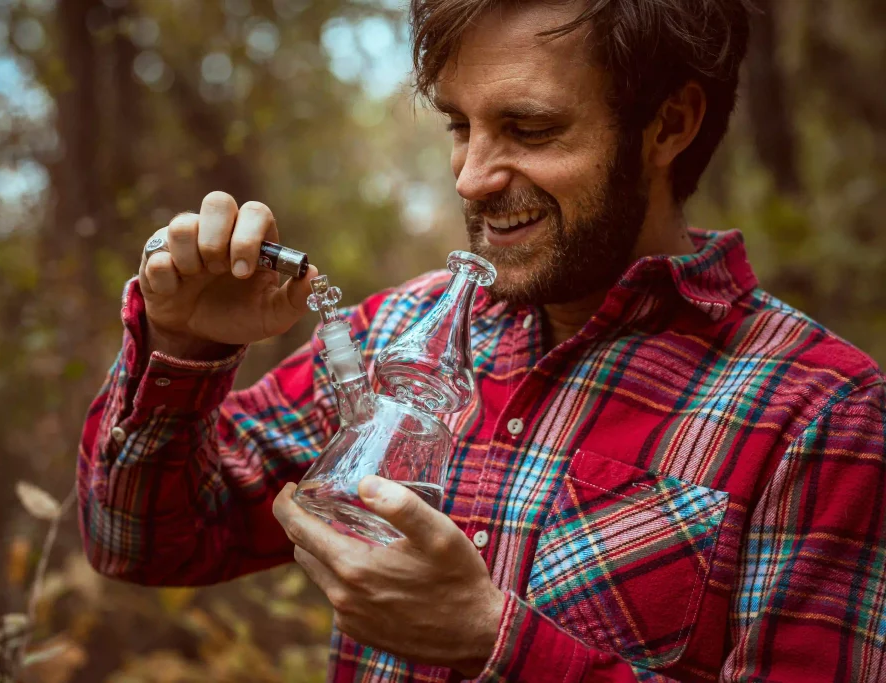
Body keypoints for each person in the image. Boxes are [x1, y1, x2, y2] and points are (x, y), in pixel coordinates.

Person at [76, 0, 886, 681]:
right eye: (461, 125)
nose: (470, 176)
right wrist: (181, 344)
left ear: (669, 124)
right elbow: (140, 543)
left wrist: (493, 642)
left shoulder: (820, 412)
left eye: (528, 128)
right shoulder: (397, 334)